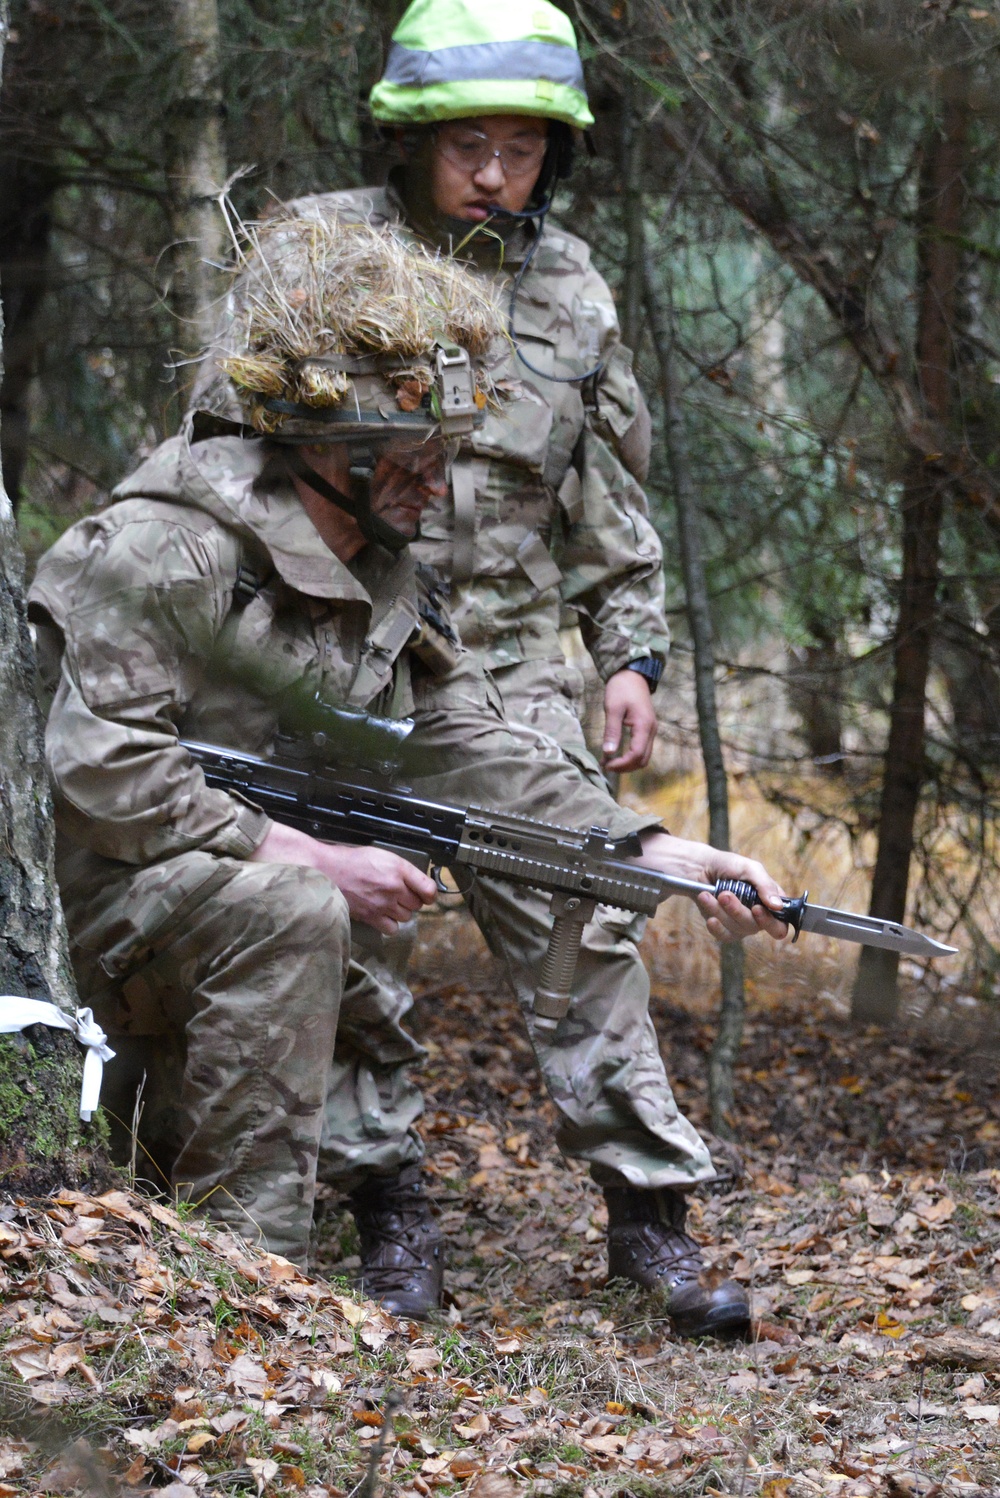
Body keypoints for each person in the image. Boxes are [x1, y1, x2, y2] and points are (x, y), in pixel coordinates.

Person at [33, 218, 785, 1337]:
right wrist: (314, 857)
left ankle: (327, 1212)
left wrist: (656, 854)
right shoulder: (166, 546)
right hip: (131, 915)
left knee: (321, 895)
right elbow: (105, 766)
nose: (441, 488)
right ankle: (244, 1286)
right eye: (420, 460)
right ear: (336, 454)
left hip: (240, 929)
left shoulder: (385, 571)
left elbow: (471, 749)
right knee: (297, 899)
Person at [189, 0, 748, 1327]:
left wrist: (632, 652)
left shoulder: (573, 288)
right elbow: (218, 460)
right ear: (409, 138)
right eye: (467, 146)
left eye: (523, 147)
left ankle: (650, 1221)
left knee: (586, 914)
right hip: (335, 666)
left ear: (557, 151)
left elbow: (602, 494)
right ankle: (387, 1211)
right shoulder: (314, 251)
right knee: (355, 940)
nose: (495, 175)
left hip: (509, 671)